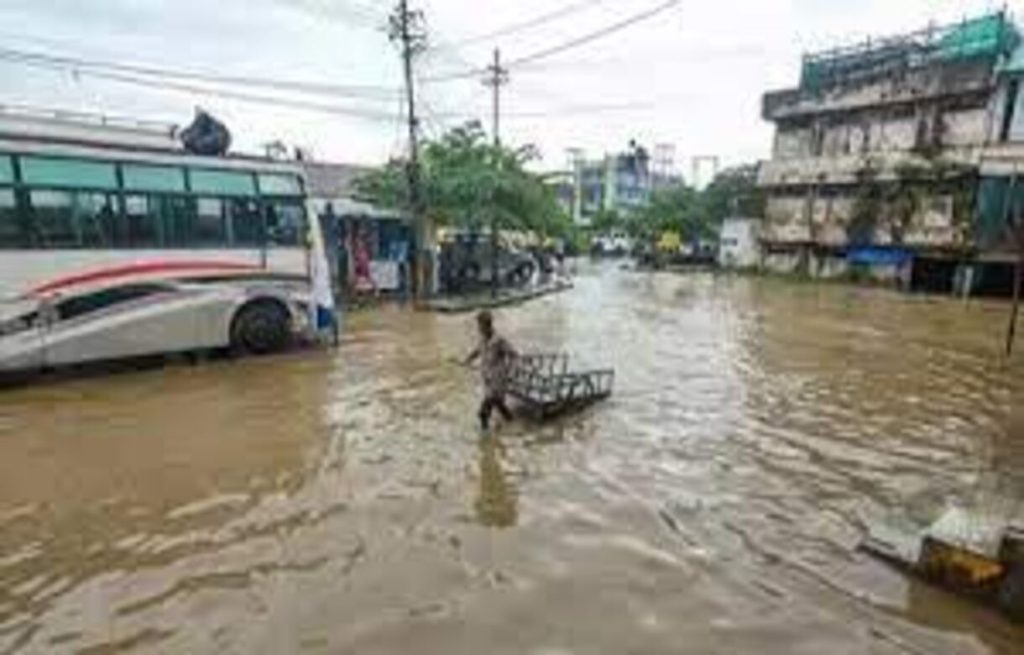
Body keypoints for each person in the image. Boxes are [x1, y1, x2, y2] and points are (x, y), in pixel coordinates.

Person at [464, 310, 518, 431]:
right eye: (478, 325)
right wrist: (468, 360)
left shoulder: (499, 341)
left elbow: (514, 355)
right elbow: (477, 350)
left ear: (487, 326)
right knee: (499, 404)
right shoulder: (483, 339)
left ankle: (485, 436)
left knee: (483, 412)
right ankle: (511, 423)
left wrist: (509, 371)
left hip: (497, 381)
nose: (478, 328)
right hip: (487, 379)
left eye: (480, 325)